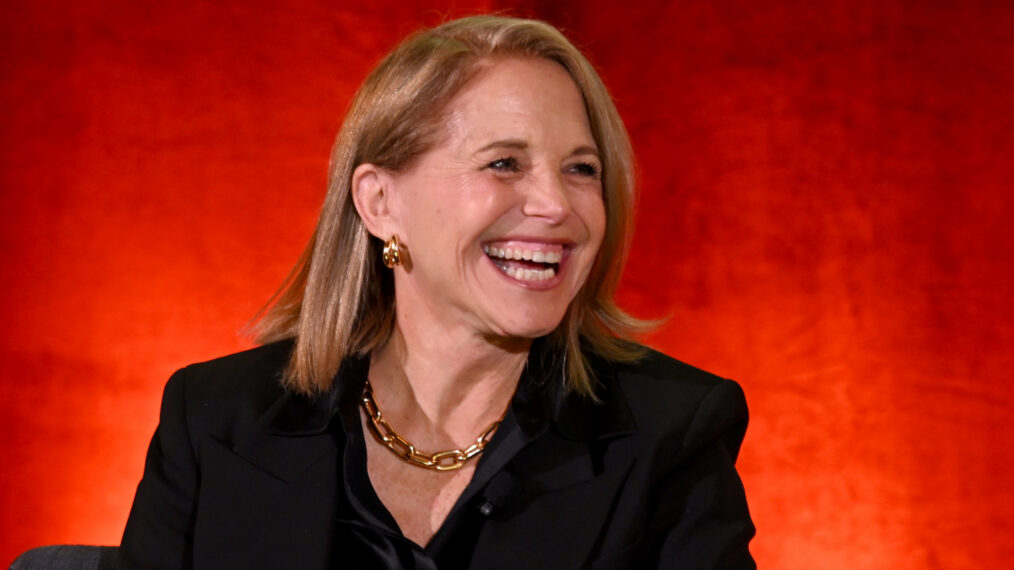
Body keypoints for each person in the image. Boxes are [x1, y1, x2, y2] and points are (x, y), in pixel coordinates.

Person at [116, 15, 755, 569]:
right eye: (504, 163)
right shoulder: (215, 419)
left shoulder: (673, 431)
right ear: (380, 202)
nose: (557, 205)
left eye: (581, 169)